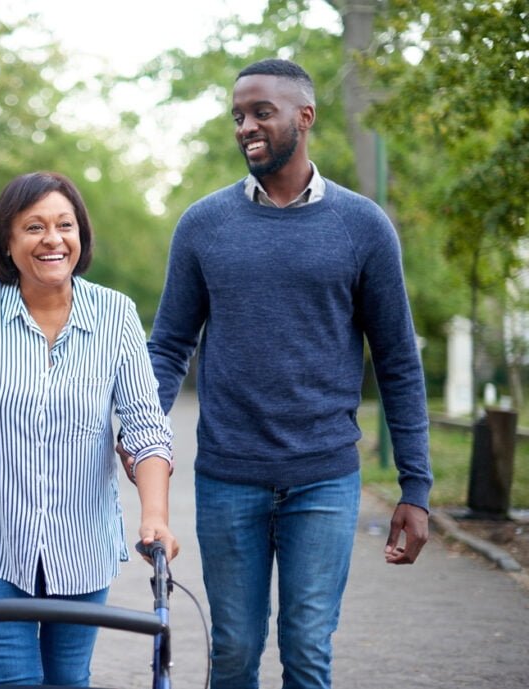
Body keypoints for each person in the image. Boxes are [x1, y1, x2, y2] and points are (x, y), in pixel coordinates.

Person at [142, 59, 433, 688]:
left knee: (306, 651)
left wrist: (415, 489)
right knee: (234, 652)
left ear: (304, 117)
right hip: (227, 477)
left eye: (261, 113)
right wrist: (142, 430)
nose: (246, 126)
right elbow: (167, 346)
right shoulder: (202, 225)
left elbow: (398, 365)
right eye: (238, 116)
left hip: (324, 479)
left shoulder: (364, 227)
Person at [0, 171, 177, 687]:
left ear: (81, 235)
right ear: (8, 240)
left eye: (65, 225)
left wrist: (154, 517)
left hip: (82, 542)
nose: (52, 239)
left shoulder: (116, 315)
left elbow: (145, 427)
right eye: (34, 227)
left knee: (68, 679)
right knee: (15, 680)